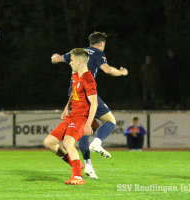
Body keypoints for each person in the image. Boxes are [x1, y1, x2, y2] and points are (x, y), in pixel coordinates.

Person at [51, 32, 128, 179]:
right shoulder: (98, 53)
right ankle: (97, 144)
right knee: (110, 120)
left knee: (82, 130)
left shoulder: (79, 52)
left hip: (74, 93)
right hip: (86, 91)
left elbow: (59, 59)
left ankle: (88, 166)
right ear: (101, 44)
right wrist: (122, 72)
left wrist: (55, 57)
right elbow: (108, 70)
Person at [44, 48, 98, 185]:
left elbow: (94, 103)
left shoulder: (88, 80)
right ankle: (76, 164)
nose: (69, 63)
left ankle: (78, 177)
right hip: (72, 116)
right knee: (49, 142)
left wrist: (88, 123)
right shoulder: (75, 75)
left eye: (72, 60)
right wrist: (66, 107)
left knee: (68, 143)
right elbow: (74, 93)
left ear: (80, 61)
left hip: (81, 118)